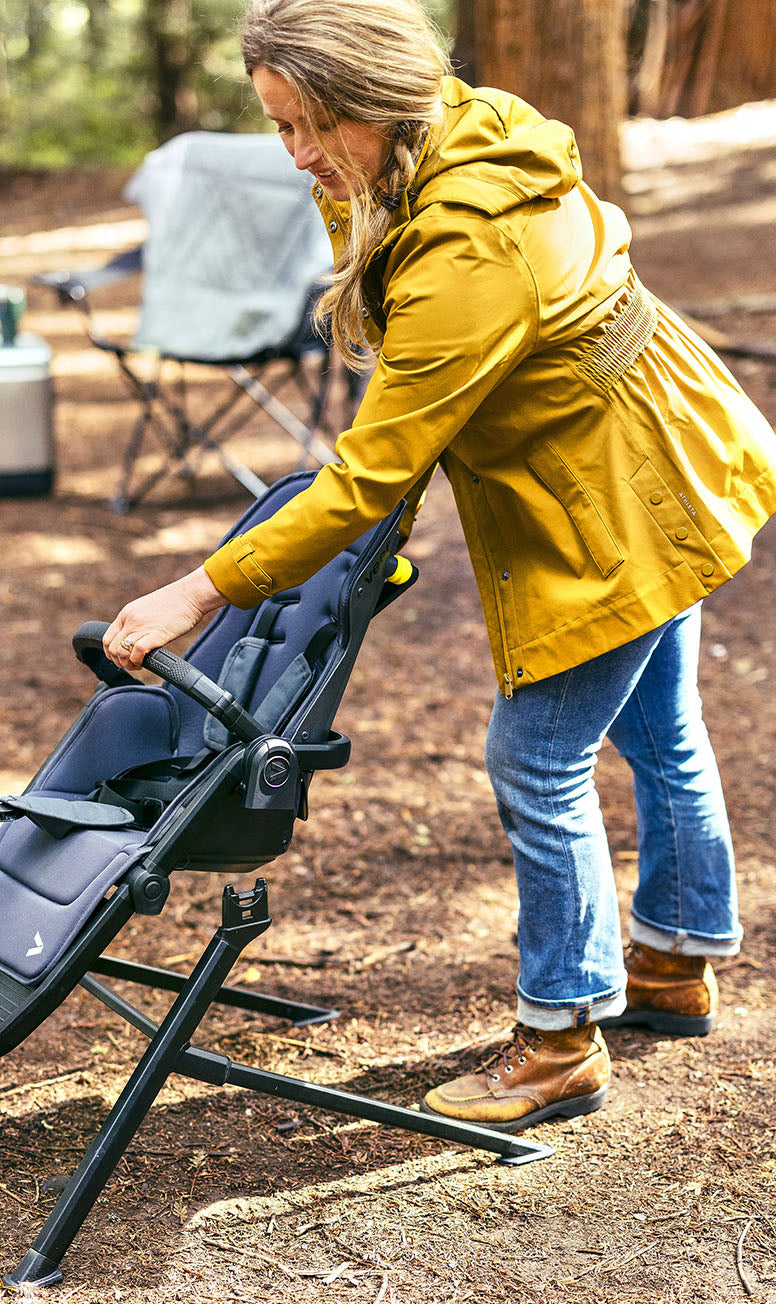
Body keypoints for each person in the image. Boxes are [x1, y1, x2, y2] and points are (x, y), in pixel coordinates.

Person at [104, 0, 776, 1132]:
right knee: (661, 725)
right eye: (278, 125)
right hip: (667, 451)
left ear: (377, 100)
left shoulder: (467, 247)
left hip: (620, 497)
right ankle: (674, 960)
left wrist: (198, 587)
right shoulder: (466, 128)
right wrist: (342, 181)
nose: (296, 154)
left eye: (312, 124)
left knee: (537, 757)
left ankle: (560, 1036)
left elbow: (370, 476)